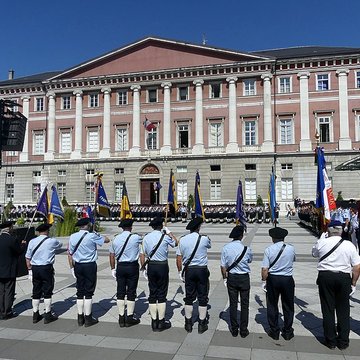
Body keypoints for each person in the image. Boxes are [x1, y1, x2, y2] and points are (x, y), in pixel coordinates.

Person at [312, 220, 360, 350]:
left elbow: (314, 254)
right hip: (343, 277)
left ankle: (331, 340)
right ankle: (343, 341)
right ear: (341, 231)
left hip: (325, 276)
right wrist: (353, 283)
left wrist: (320, 239)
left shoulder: (322, 242)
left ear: (328, 231)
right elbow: (356, 266)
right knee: (343, 310)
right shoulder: (349, 245)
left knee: (328, 308)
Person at [68, 218, 110, 327]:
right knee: (88, 292)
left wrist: (71, 267)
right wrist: (96, 233)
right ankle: (88, 318)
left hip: (78, 265)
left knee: (80, 291)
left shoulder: (73, 236)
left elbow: (70, 253)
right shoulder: (92, 236)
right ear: (87, 225)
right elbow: (107, 240)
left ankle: (80, 317)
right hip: (89, 265)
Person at [140, 217, 178, 332]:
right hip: (162, 266)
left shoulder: (146, 237)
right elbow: (176, 243)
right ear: (161, 226)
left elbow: (142, 254)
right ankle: (161, 322)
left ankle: (153, 321)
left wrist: (144, 268)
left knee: (152, 292)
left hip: (151, 265)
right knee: (162, 292)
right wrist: (169, 232)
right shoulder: (165, 237)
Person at [176, 216, 211, 334]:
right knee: (202, 297)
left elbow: (179, 258)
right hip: (201, 270)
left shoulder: (183, 239)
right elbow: (209, 245)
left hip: (189, 270)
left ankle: (188, 323)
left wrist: (180, 271)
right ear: (198, 227)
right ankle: (202, 324)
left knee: (189, 297)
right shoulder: (204, 239)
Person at [261, 226, 296, 341]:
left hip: (273, 279)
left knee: (272, 304)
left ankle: (274, 331)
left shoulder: (269, 249)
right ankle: (287, 331)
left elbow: (265, 269)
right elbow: (293, 260)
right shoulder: (291, 248)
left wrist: (263, 281)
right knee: (288, 305)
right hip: (287, 279)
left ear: (272, 238)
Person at [25, 223, 62, 324]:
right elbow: (60, 245)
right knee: (47, 291)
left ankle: (35, 314)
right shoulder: (51, 241)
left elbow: (27, 257)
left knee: (36, 291)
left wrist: (29, 270)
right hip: (46, 268)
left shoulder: (32, 241)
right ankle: (48, 314)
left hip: (35, 268)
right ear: (47, 231)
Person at [220, 225, 252, 337]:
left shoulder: (225, 248)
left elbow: (223, 266)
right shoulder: (247, 249)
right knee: (245, 304)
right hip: (244, 278)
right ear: (241, 236)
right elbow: (249, 260)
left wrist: (224, 278)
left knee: (233, 304)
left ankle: (234, 329)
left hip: (232, 278)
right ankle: (243, 330)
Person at [109, 218, 142, 327]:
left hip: (121, 266)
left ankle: (121, 317)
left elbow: (112, 255)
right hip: (132, 266)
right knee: (131, 291)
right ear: (131, 227)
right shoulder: (136, 238)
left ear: (122, 228)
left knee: (120, 291)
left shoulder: (116, 239)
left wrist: (113, 268)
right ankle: (130, 317)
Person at [0, 221, 26, 319]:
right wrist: (23, 245)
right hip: (9, 270)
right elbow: (19, 251)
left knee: (1, 291)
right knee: (9, 291)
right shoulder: (12, 239)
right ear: (9, 228)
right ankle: (7, 312)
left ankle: (1, 311)